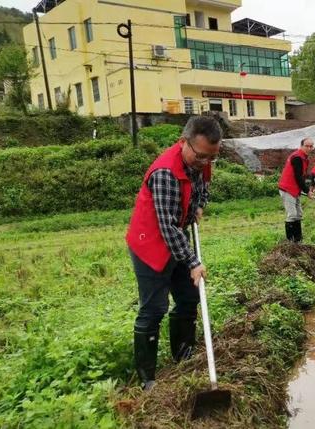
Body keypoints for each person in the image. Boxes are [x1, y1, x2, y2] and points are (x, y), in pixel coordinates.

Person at [125, 116, 221, 391]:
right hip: (150, 242)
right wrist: (192, 261)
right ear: (183, 143)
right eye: (201, 156)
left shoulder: (202, 160)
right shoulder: (165, 173)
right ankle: (147, 379)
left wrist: (199, 205)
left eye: (211, 158)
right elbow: (166, 225)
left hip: (176, 235)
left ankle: (183, 356)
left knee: (189, 297)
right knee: (154, 308)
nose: (205, 163)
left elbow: (203, 187)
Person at [278, 137, 314, 242]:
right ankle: (290, 242)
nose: (309, 148)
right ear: (301, 146)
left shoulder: (304, 158)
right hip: (287, 188)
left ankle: (298, 239)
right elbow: (298, 177)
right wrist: (307, 191)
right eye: (306, 146)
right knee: (292, 215)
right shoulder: (297, 157)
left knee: (299, 214)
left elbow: (302, 176)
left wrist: (307, 188)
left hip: (295, 188)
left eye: (311, 146)